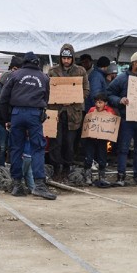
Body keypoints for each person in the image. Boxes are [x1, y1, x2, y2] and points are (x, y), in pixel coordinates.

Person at [0, 51, 55, 200]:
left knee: (16, 148)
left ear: (24, 62)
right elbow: (46, 98)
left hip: (16, 114)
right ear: (37, 62)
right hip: (34, 114)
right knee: (37, 148)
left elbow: (3, 98)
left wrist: (7, 118)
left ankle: (17, 185)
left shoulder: (15, 75)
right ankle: (39, 186)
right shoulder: (44, 77)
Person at [106, 51, 137, 187]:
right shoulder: (122, 78)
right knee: (123, 148)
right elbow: (109, 94)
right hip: (127, 119)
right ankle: (121, 176)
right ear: (135, 63)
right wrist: (120, 100)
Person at [47, 43, 89, 181]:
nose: (66, 61)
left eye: (69, 58)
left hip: (73, 113)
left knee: (69, 143)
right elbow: (48, 90)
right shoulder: (53, 71)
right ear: (60, 58)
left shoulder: (81, 71)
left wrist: (73, 98)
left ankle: (66, 167)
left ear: (72, 58)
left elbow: (86, 90)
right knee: (55, 143)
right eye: (64, 58)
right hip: (57, 112)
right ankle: (56, 168)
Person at [82, 92, 114, 187]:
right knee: (89, 156)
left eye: (100, 102)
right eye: (96, 102)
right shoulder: (92, 110)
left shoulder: (109, 112)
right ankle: (88, 176)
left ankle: (102, 177)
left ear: (105, 103)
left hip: (102, 139)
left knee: (102, 157)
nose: (98, 105)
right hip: (91, 138)